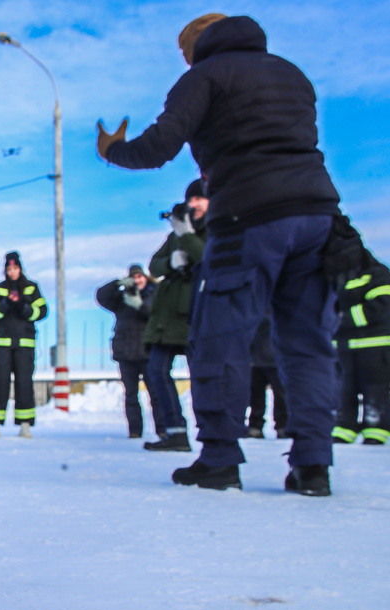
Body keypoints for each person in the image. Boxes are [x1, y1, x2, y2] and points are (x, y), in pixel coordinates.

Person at [98, 14, 342, 495]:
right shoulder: (291, 73)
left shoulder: (204, 77)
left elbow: (159, 145)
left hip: (249, 218)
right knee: (308, 342)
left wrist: (114, 150)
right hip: (317, 217)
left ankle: (220, 458)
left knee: (220, 338)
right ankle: (314, 465)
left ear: (196, 47)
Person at [142, 181, 208, 452]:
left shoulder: (215, 229)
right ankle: (175, 431)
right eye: (190, 199)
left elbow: (208, 259)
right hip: (168, 317)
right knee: (157, 370)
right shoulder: (175, 235)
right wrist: (172, 262)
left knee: (202, 376)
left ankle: (211, 434)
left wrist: (189, 236)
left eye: (199, 199)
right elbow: (154, 266)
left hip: (198, 312)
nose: (193, 205)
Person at [95, 264, 162, 439]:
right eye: (134, 278)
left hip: (148, 352)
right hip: (126, 353)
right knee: (131, 395)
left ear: (146, 278)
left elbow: (154, 314)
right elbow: (101, 295)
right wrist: (117, 283)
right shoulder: (121, 299)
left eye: (140, 277)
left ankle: (162, 429)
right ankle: (134, 430)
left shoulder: (154, 294)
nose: (137, 281)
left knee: (156, 394)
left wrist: (140, 305)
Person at [0, 251, 47, 438]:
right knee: (0, 383)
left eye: (15, 268)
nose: (12, 272)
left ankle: (25, 425)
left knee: (24, 383)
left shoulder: (31, 288)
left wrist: (22, 306)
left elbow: (42, 312)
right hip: (1, 344)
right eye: (9, 269)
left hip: (25, 344)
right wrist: (4, 304)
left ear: (20, 268)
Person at [332, 249, 390, 446]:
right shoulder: (337, 277)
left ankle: (376, 430)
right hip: (344, 346)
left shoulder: (378, 274)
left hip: (375, 345)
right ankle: (344, 428)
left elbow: (382, 306)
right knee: (343, 389)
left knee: (375, 389)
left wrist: (343, 319)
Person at [246, 314, 288, 439]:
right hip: (255, 357)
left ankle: (282, 425)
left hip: (275, 357)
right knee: (256, 394)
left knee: (281, 394)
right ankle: (255, 425)